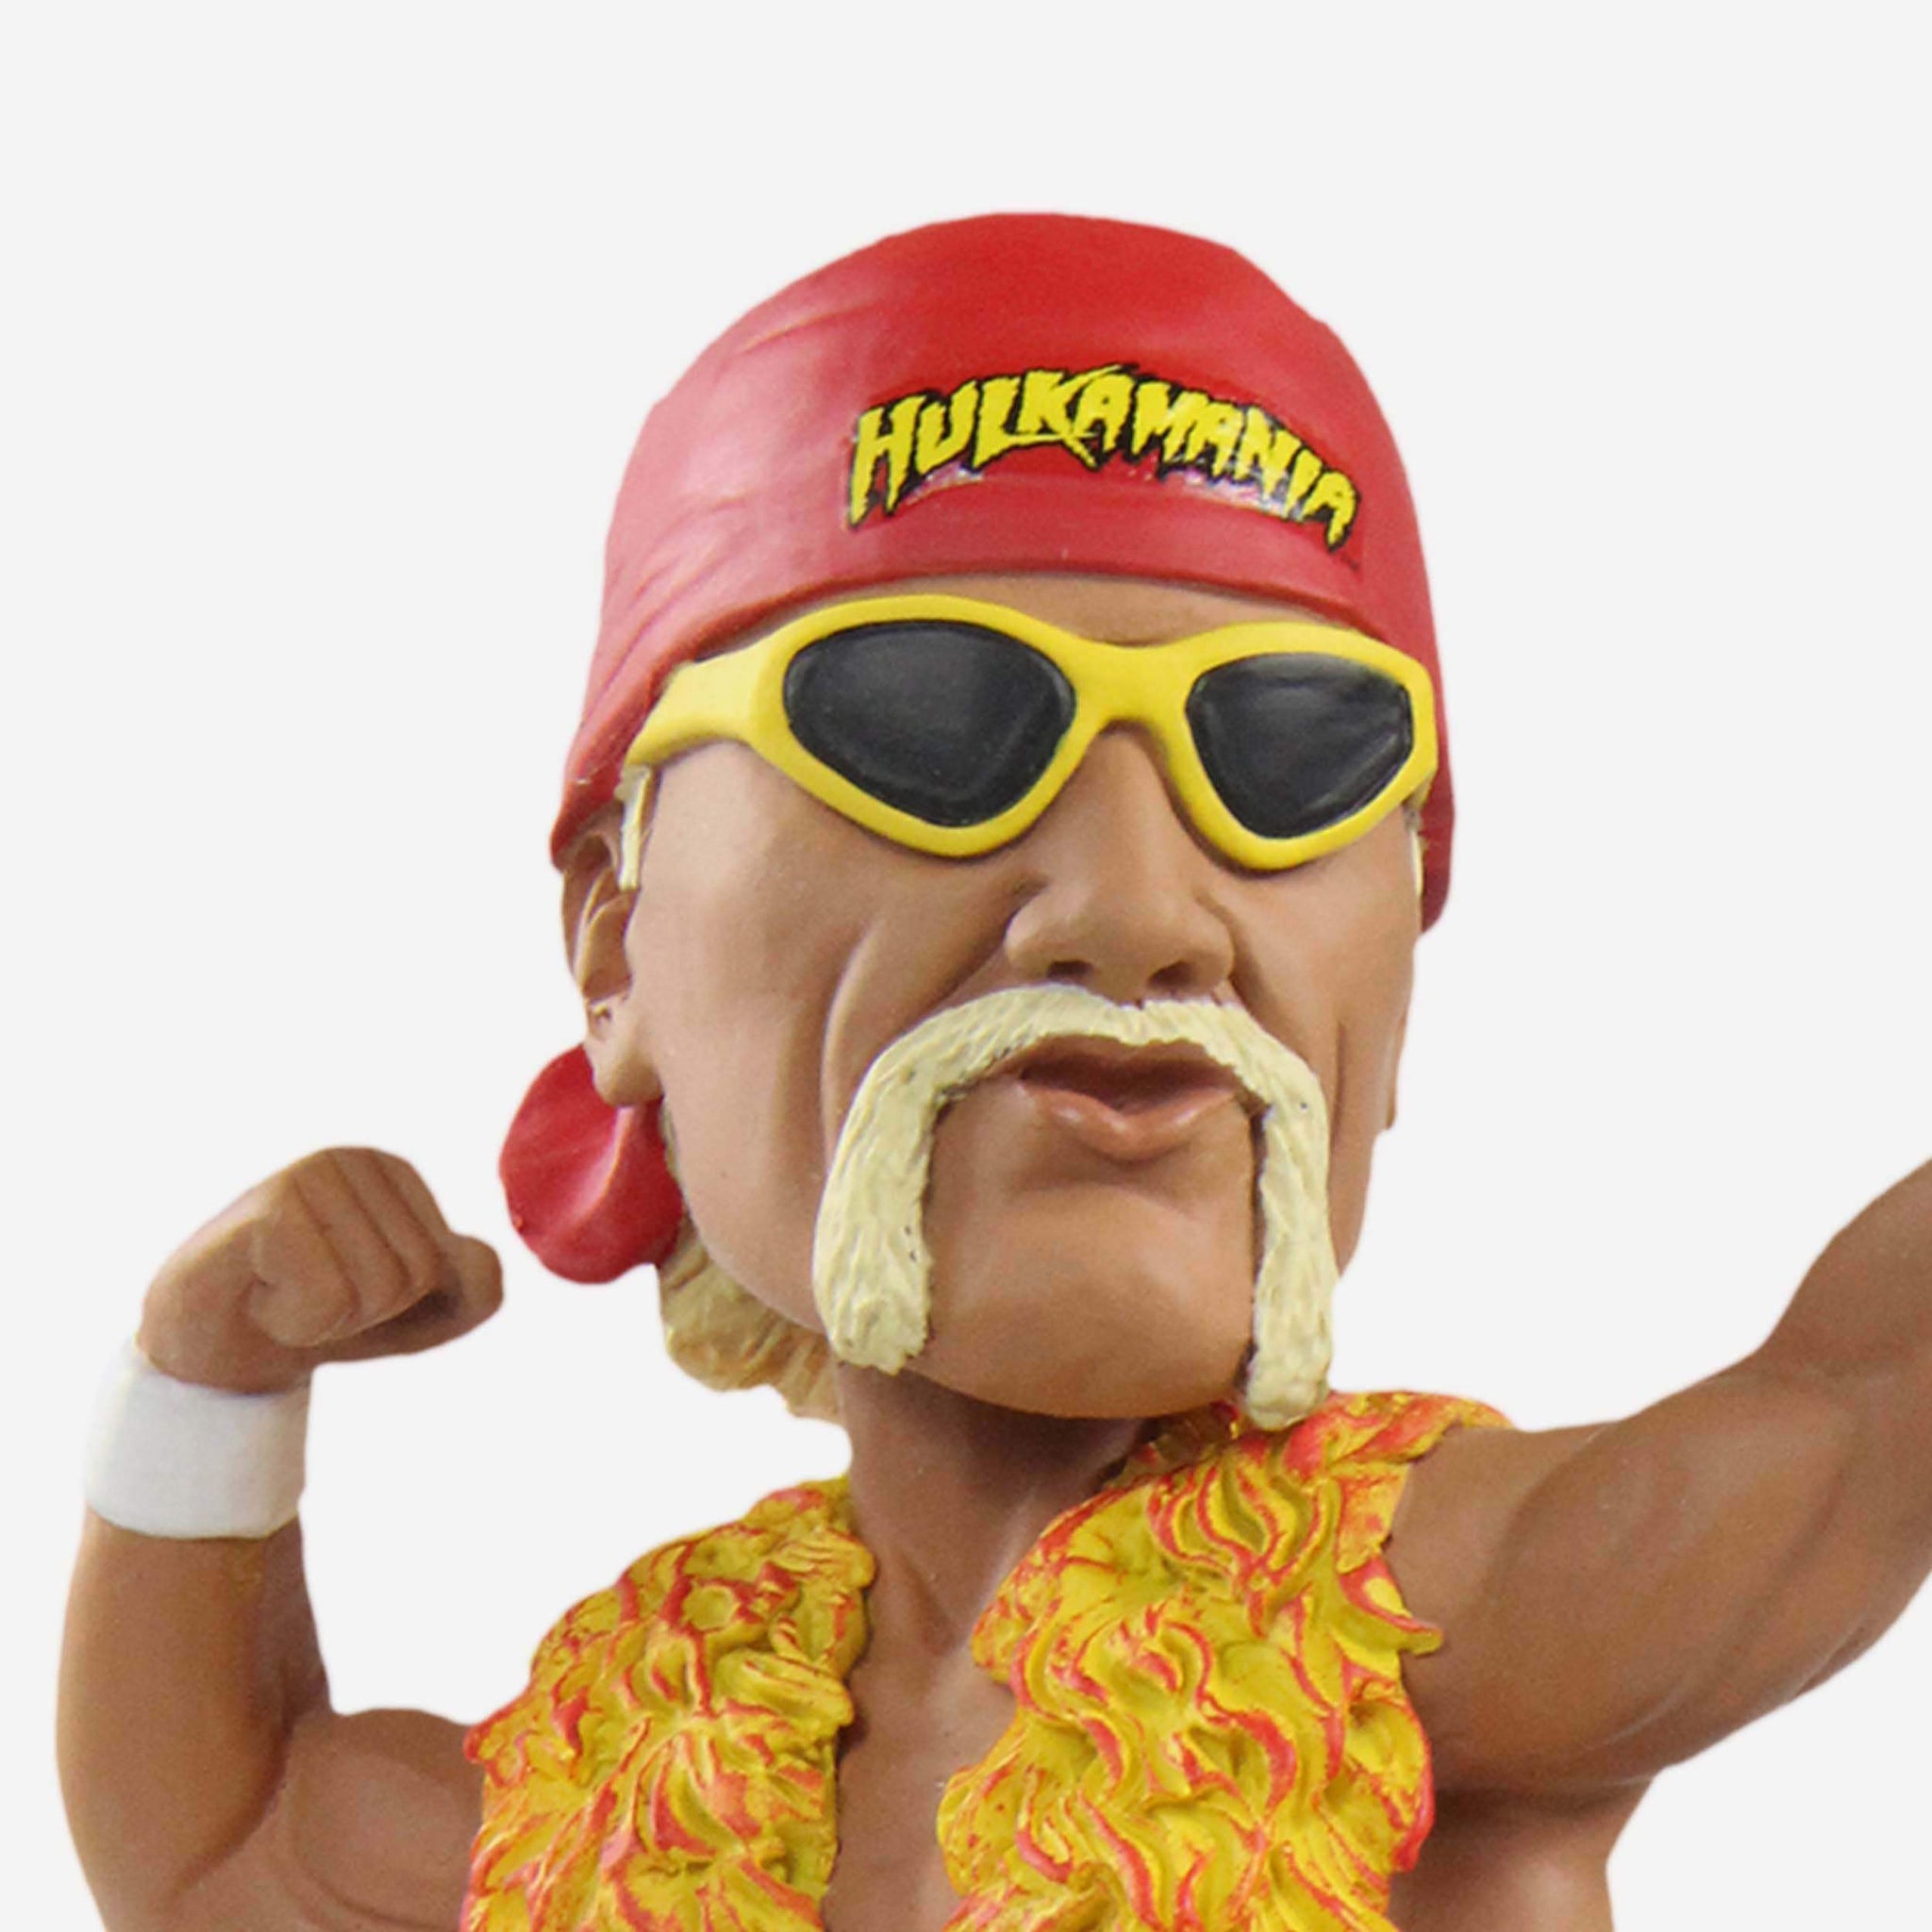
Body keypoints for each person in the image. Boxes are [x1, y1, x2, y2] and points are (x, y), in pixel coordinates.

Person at [58, 215, 1932, 1932]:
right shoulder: (650, 1729)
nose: (1137, 912)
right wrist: (205, 1378)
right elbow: (221, 1860)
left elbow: (1861, 1404)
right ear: (620, 953)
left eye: (1290, 756)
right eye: (929, 726)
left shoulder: (1425, 1613)